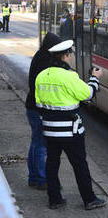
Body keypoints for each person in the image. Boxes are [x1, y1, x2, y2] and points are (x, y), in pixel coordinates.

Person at [35, 35, 106, 210]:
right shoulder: (69, 76)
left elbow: (38, 103)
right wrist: (95, 78)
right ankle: (89, 199)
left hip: (49, 130)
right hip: (70, 131)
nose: (73, 56)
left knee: (52, 163)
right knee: (79, 164)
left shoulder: (41, 75)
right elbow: (87, 94)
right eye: (71, 53)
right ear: (65, 56)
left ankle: (55, 199)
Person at [25, 32, 63, 190]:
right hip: (39, 108)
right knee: (41, 145)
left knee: (35, 143)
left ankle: (33, 177)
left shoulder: (40, 55)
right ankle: (41, 179)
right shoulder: (46, 61)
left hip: (32, 106)